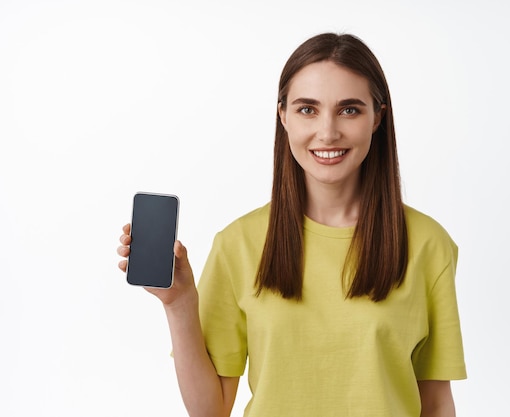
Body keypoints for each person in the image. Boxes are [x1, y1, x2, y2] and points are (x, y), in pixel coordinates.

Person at [118, 32, 466, 417]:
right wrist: (179, 302)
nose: (328, 132)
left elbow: (435, 403)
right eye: (307, 109)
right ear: (283, 115)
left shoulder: (428, 244)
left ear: (378, 117)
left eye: (350, 109)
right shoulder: (239, 244)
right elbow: (210, 411)